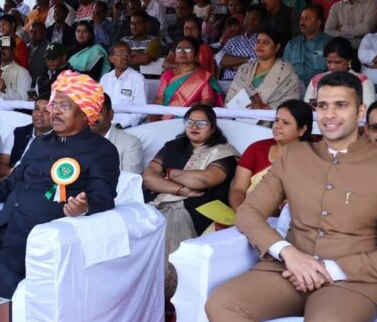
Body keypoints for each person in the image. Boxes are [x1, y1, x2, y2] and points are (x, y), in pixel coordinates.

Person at [205, 72, 377, 322]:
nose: (330, 114)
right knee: (222, 303)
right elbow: (249, 212)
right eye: (322, 105)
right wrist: (288, 253)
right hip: (287, 270)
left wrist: (329, 269)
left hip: (351, 281)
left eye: (341, 105)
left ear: (360, 112)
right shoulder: (295, 156)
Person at [0, 72, 120, 299]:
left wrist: (84, 207)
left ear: (86, 113)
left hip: (37, 239)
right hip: (5, 227)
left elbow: (104, 197)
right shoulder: (40, 143)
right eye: (54, 105)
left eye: (64, 106)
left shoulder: (101, 150)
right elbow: (11, 184)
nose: (55, 111)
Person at [143, 105, 238, 294]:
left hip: (199, 211)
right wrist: (179, 189)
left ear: (212, 127)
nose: (194, 126)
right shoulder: (172, 147)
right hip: (157, 204)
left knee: (171, 223)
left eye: (201, 123)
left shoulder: (223, 152)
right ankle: (145, 291)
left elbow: (203, 180)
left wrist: (167, 173)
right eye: (190, 122)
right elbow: (148, 177)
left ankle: (172, 293)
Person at [228, 99, 314, 210]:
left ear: (302, 130)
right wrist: (241, 212)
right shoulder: (256, 149)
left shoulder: (312, 159)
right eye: (276, 120)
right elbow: (238, 189)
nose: (277, 126)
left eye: (285, 123)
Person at [225, 27, 301, 112]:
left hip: (272, 118)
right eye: (258, 41)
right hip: (241, 116)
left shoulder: (286, 70)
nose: (260, 45)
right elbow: (231, 97)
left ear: (277, 47)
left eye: (266, 42)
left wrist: (265, 107)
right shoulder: (244, 69)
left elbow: (291, 101)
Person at [154, 36, 223, 116]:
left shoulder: (204, 77)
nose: (182, 52)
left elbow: (207, 105)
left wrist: (197, 106)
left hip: (193, 118)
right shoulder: (167, 76)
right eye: (179, 49)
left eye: (188, 49)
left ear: (197, 55)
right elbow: (159, 101)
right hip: (166, 119)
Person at [305, 37, 376, 107]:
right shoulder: (316, 79)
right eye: (329, 62)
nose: (332, 66)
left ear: (349, 61)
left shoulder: (363, 81)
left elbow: (367, 110)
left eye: (338, 62)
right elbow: (306, 108)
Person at [92, 94, 144, 174]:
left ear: (110, 114)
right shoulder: (78, 140)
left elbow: (130, 180)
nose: (92, 117)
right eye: (88, 112)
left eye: (98, 112)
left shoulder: (130, 144)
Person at [100, 40, 147, 128]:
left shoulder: (138, 79)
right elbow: (100, 105)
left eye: (127, 55)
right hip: (105, 123)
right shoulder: (105, 78)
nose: (124, 57)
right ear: (111, 58)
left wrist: (123, 124)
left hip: (127, 126)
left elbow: (141, 111)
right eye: (120, 54)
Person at [282, 5, 332, 86]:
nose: (302, 22)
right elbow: (284, 69)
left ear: (319, 23)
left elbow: (333, 71)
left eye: (307, 18)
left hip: (319, 87)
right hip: (294, 88)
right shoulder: (292, 44)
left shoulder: (330, 43)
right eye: (301, 18)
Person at [217, 6, 265, 81]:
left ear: (262, 22)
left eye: (254, 18)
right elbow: (219, 58)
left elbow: (260, 65)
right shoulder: (234, 40)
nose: (250, 21)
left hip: (249, 83)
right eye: (248, 18)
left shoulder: (264, 42)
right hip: (227, 82)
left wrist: (231, 64)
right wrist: (247, 59)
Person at [8, 95, 53, 169]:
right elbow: (0, 165)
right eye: (37, 109)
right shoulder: (19, 132)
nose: (39, 114)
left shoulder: (60, 141)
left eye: (46, 110)